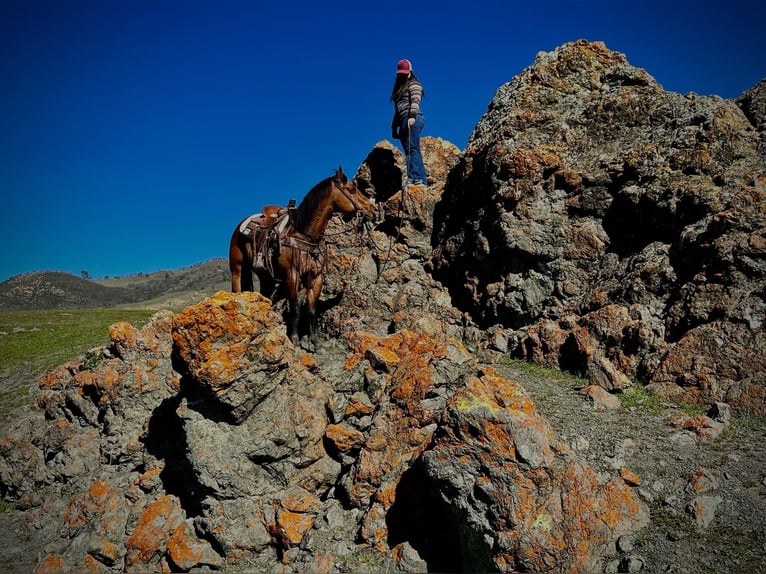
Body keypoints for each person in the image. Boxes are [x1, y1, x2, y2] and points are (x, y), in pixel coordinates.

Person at [390, 58, 428, 186]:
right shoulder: (398, 89)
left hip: (413, 117)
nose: (403, 75)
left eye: (405, 73)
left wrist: (412, 116)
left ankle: (418, 179)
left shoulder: (414, 84)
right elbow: (398, 110)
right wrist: (394, 127)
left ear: (410, 72)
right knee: (408, 149)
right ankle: (414, 177)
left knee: (412, 147)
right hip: (402, 120)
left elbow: (415, 101)